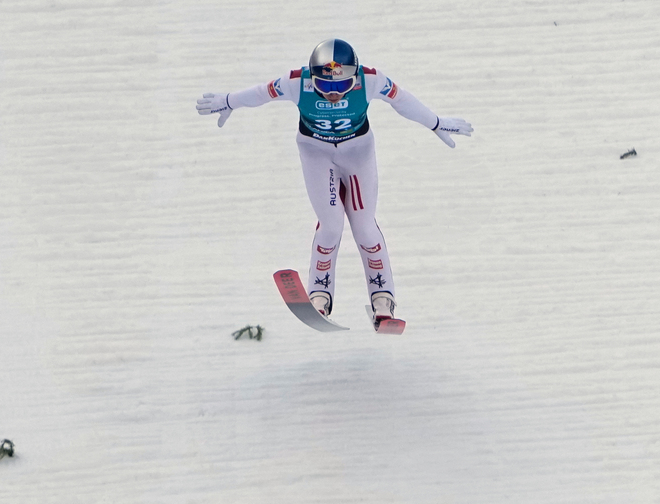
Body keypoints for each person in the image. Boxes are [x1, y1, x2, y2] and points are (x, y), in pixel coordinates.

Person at [196, 39, 472, 326]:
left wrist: (436, 122)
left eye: (342, 87)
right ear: (312, 77)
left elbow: (402, 102)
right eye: (325, 87)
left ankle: (382, 297)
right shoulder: (295, 82)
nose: (333, 95)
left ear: (355, 78)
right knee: (331, 225)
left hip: (357, 153)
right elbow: (260, 93)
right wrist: (228, 101)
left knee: (364, 226)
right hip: (316, 154)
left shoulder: (371, 78)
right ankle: (320, 293)